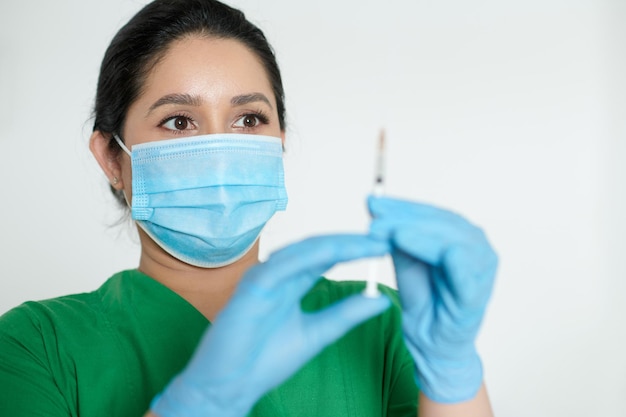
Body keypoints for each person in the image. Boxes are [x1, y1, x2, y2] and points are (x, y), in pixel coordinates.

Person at [0, 0, 498, 416]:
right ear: (113, 157)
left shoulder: (380, 322)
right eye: (179, 122)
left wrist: (453, 373)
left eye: (248, 118)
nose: (220, 148)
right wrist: (197, 404)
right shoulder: (34, 346)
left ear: (280, 142)